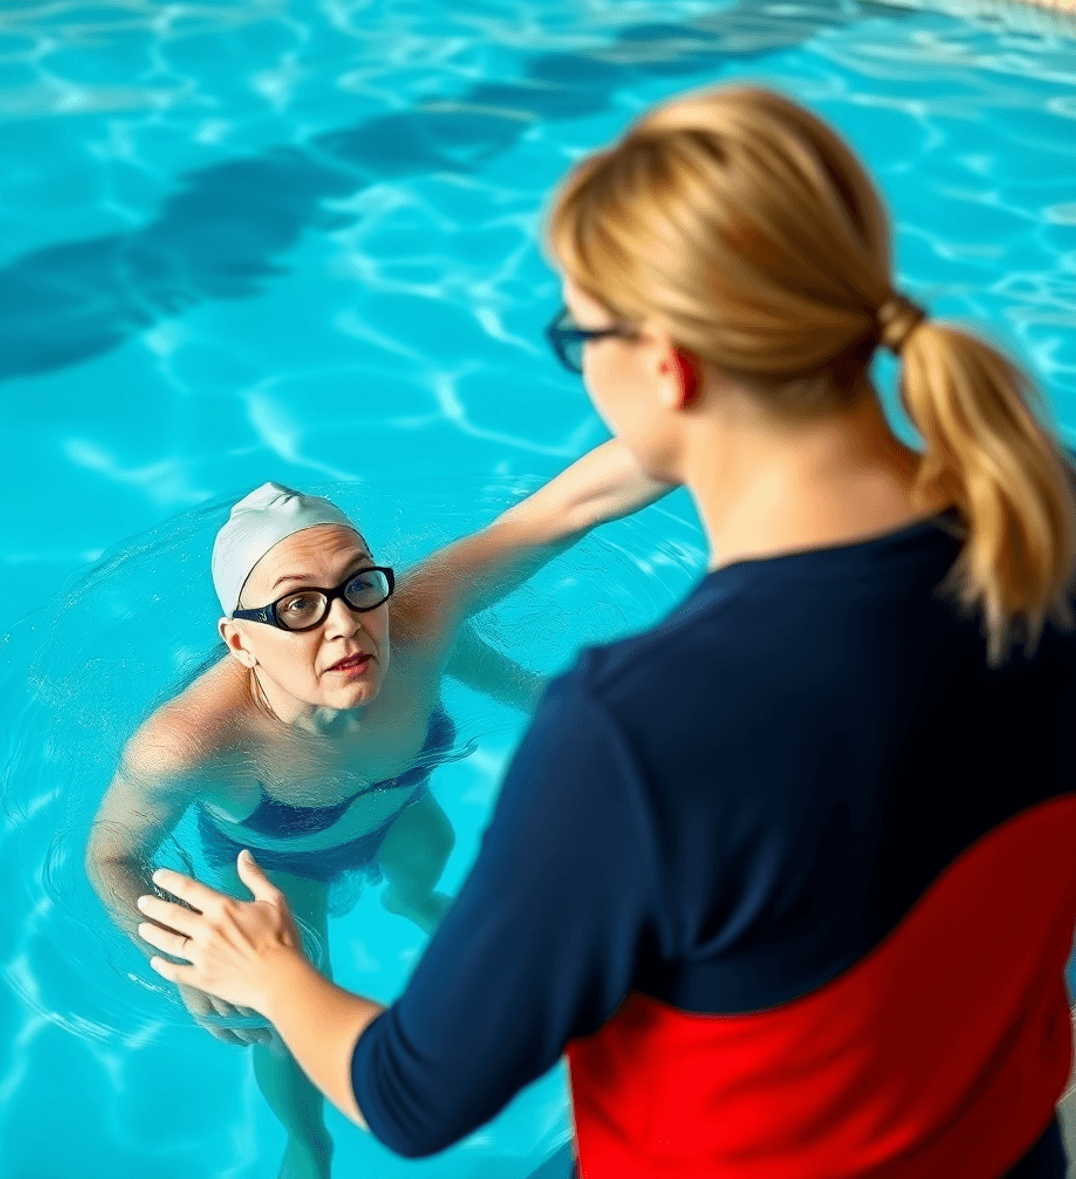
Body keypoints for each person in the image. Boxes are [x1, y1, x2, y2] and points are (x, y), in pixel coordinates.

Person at [132, 84, 1076, 1178]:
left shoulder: (643, 729)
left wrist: (269, 972)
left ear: (669, 368)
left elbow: (411, 1094)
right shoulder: (1038, 542)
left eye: (575, 333)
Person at [85, 454, 670, 1179]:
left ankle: (415, 902)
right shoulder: (190, 744)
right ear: (240, 640)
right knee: (283, 1014)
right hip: (281, 865)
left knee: (430, 853)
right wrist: (167, 947)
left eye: (359, 584)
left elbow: (559, 513)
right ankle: (307, 1142)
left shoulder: (418, 621)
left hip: (406, 810)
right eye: (298, 606)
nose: (348, 627)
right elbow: (111, 853)